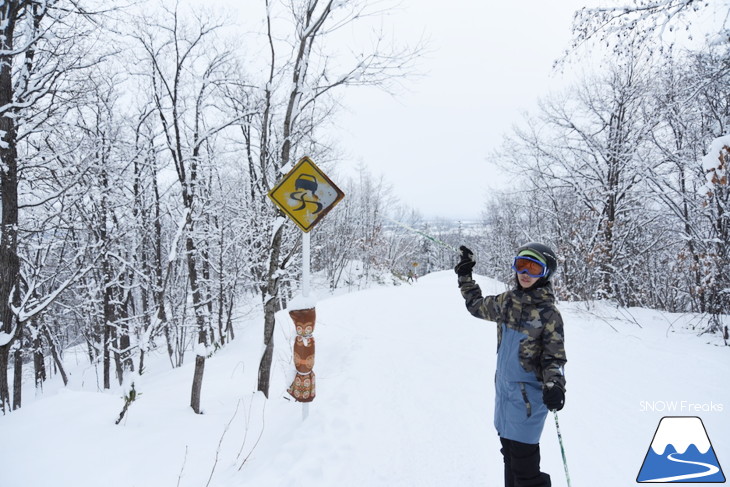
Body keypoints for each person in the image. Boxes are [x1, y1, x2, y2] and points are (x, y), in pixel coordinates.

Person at [454, 243, 566, 487]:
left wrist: (555, 384)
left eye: (534, 268)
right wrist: (465, 275)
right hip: (504, 395)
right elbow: (476, 306)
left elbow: (554, 357)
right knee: (509, 457)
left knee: (525, 469)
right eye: (521, 265)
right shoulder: (507, 302)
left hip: (528, 401)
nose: (525, 273)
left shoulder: (548, 314)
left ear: (545, 274)